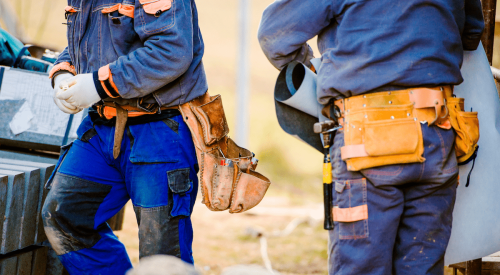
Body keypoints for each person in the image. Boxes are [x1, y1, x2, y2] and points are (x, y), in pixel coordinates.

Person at [258, 0, 484, 274]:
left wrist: (317, 68)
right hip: (437, 132)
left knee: (361, 268)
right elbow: (471, 33)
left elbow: (273, 34)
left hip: (367, 139)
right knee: (422, 267)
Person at [42, 0, 206, 273]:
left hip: (159, 131)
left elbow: (172, 50)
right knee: (64, 216)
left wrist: (98, 83)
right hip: (101, 127)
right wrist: (63, 72)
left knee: (161, 252)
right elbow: (89, 41)